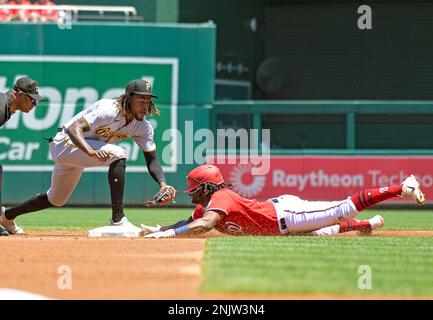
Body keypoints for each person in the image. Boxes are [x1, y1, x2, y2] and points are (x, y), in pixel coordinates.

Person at [0, 79, 176, 235]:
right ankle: (118, 219)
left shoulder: (143, 127)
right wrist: (90, 152)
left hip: (82, 151)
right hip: (65, 143)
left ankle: (7, 216)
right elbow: (73, 128)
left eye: (148, 100)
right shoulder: (108, 109)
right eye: (141, 99)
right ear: (129, 97)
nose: (145, 104)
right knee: (118, 154)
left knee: (57, 198)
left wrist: (163, 184)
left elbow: (151, 159)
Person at [141, 164, 425, 238]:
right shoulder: (208, 203)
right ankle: (367, 224)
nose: (191, 195)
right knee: (322, 233)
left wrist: (171, 233)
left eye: (194, 190)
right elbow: (188, 222)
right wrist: (160, 231)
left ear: (205, 187)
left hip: (287, 215)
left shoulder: (221, 197)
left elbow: (205, 225)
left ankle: (403, 186)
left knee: (340, 208)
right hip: (282, 220)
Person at [0, 76, 45, 236]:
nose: (35, 104)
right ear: (19, 94)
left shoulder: (7, 107)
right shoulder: (1, 107)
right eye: (32, 100)